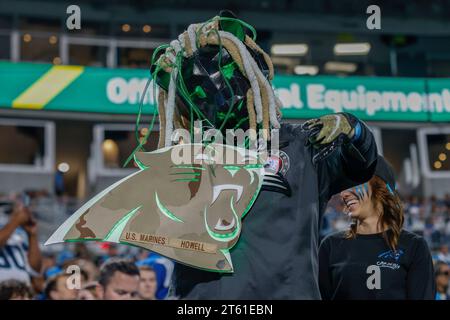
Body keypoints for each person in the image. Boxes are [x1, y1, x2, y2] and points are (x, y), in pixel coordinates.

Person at [149, 11, 378, 299]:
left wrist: (354, 129)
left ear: (254, 76)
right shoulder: (185, 158)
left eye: (225, 76)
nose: (213, 95)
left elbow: (362, 165)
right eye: (195, 90)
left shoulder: (301, 143)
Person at [319, 156, 435, 299]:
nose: (344, 193)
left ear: (380, 187)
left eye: (352, 183)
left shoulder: (414, 246)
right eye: (343, 186)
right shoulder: (330, 246)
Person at [0, 201, 42, 285]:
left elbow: (35, 269)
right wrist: (15, 221)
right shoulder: (11, 227)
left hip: (21, 292)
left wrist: (32, 234)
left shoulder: (16, 238)